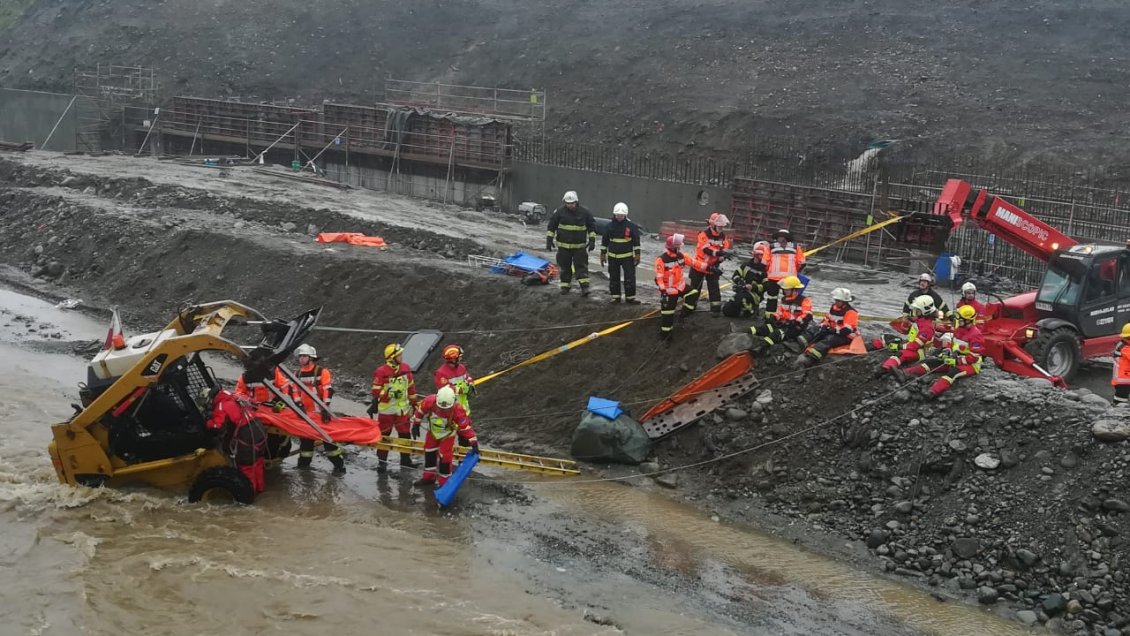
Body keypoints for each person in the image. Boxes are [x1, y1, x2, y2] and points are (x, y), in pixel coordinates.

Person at [898, 305, 985, 398]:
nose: (957, 322)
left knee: (953, 373)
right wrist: (947, 351)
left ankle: (932, 392)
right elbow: (951, 344)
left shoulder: (976, 336)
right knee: (931, 363)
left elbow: (974, 358)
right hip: (954, 358)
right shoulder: (959, 330)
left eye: (960, 320)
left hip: (970, 365)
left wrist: (956, 361)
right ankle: (905, 373)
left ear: (968, 320)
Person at [200, 386, 268, 495]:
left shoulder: (221, 406)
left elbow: (217, 426)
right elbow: (254, 403)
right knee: (257, 462)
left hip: (247, 435)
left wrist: (207, 422)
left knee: (246, 467)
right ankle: (260, 490)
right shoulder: (233, 395)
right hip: (258, 429)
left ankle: (249, 495)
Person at [292, 344, 345, 473]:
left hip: (321, 414)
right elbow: (294, 391)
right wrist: (299, 405)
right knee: (305, 444)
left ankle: (339, 467)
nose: (301, 359)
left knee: (329, 443)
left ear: (311, 358)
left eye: (304, 356)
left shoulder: (322, 372)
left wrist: (325, 409)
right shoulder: (297, 373)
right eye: (300, 356)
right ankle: (303, 468)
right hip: (306, 414)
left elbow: (328, 390)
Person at [413, 386, 479, 487]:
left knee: (445, 457)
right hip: (432, 432)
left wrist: (473, 441)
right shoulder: (429, 401)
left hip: (447, 435)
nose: (443, 411)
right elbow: (420, 411)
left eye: (446, 409)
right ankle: (429, 477)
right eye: (440, 408)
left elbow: (465, 427)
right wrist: (416, 424)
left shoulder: (457, 409)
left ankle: (444, 483)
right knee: (429, 452)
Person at [370, 343, 419, 473]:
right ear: (392, 357)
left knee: (405, 436)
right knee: (384, 437)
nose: (401, 357)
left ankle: (406, 461)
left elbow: (411, 388)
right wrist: (389, 394)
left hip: (402, 410)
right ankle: (382, 463)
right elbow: (375, 391)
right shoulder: (381, 371)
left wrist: (415, 403)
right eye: (399, 355)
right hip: (387, 411)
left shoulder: (406, 368)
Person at [546, 190, 597, 296]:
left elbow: (592, 226)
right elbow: (551, 226)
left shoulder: (585, 212)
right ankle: (565, 286)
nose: (570, 205)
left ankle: (584, 288)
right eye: (567, 203)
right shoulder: (559, 212)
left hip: (579, 247)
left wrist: (592, 240)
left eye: (572, 203)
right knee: (564, 267)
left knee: (581, 267)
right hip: (563, 247)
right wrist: (549, 240)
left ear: (576, 202)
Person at [682, 213, 733, 317]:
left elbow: (724, 249)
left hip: (713, 267)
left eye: (723, 227)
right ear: (713, 225)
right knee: (695, 289)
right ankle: (690, 308)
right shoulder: (703, 234)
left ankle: (715, 310)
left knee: (714, 288)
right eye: (720, 226)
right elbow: (706, 250)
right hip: (699, 266)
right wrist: (720, 253)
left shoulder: (723, 237)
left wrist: (721, 258)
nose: (721, 228)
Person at [749, 275, 813, 354]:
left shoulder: (804, 300)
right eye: (784, 289)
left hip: (795, 328)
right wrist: (774, 317)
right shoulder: (784, 299)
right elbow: (779, 312)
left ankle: (759, 348)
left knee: (776, 334)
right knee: (762, 329)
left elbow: (807, 315)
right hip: (783, 324)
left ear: (794, 289)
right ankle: (745, 334)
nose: (784, 291)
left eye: (787, 289)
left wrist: (795, 322)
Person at [796, 287, 859, 367]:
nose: (836, 302)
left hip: (845, 336)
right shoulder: (834, 308)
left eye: (838, 301)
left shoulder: (851, 313)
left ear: (845, 301)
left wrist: (832, 330)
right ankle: (802, 341)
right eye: (836, 300)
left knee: (830, 339)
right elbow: (828, 319)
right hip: (833, 330)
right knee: (815, 328)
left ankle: (813, 355)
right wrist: (824, 325)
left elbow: (846, 330)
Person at [880, 295, 939, 376]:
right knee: (888, 338)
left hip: (921, 352)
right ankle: (869, 346)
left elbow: (915, 346)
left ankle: (886, 368)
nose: (914, 311)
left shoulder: (927, 328)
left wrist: (899, 346)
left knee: (901, 354)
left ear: (923, 311)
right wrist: (907, 321)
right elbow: (907, 331)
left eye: (917, 310)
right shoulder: (920, 320)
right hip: (913, 345)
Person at [600, 202, 642, 304]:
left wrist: (637, 254)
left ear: (625, 215)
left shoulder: (631, 226)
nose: (619, 217)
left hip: (627, 257)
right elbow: (604, 240)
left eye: (621, 215)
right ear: (614, 214)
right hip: (612, 257)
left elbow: (636, 241)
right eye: (617, 215)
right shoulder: (609, 226)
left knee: (629, 277)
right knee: (614, 277)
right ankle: (616, 297)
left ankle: (630, 297)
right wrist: (602, 253)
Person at [764, 229, 806, 316]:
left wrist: (768, 271)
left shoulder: (770, 247)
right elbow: (802, 263)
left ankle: (770, 318)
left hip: (774, 277)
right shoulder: (796, 247)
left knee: (772, 298)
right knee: (789, 299)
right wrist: (795, 272)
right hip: (789, 279)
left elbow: (764, 263)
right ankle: (787, 316)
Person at [655, 233, 689, 341]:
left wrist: (709, 268)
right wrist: (663, 291)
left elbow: (695, 263)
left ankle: (684, 314)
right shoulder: (662, 259)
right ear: (673, 248)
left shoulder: (681, 256)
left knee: (693, 292)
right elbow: (659, 278)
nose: (679, 248)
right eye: (678, 247)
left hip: (678, 288)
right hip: (668, 291)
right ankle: (665, 337)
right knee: (667, 315)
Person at [723, 242, 769, 318]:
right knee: (727, 310)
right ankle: (739, 310)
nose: (762, 257)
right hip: (743, 290)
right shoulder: (746, 265)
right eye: (760, 255)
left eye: (762, 255)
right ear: (755, 254)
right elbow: (735, 275)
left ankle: (752, 311)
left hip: (756, 295)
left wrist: (753, 287)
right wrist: (739, 281)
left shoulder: (765, 269)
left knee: (741, 298)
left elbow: (766, 286)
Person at [434, 344, 475, 416]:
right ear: (453, 358)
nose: (460, 359)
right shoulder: (440, 373)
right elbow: (445, 390)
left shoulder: (461, 367)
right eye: (459, 357)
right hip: (451, 410)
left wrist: (471, 384)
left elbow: (468, 377)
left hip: (464, 409)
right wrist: (464, 389)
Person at [1113, 323, 1130, 406]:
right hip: (1123, 380)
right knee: (1120, 400)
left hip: (1125, 378)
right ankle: (1117, 412)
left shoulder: (1124, 344)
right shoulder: (1124, 347)